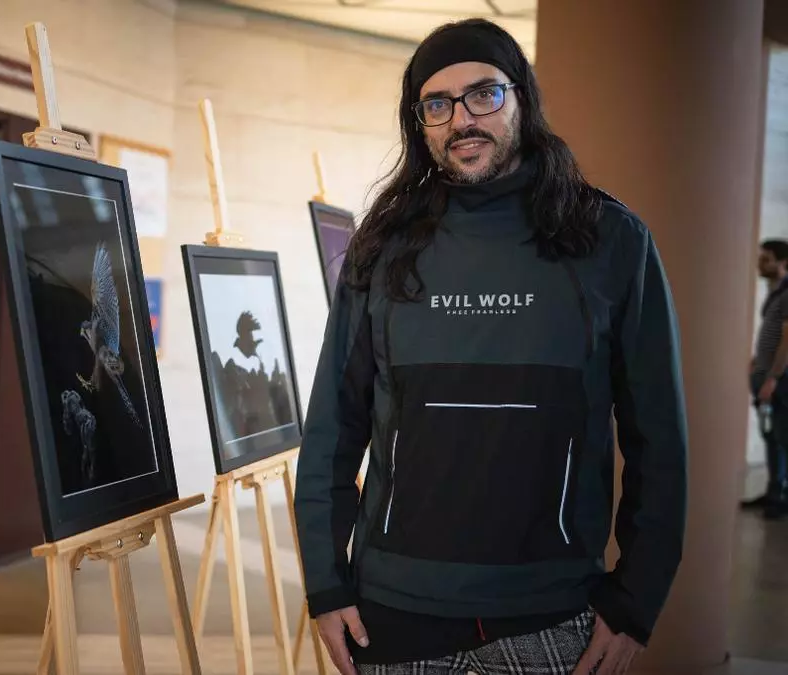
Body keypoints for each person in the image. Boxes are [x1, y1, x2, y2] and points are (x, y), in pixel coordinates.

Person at [293, 18, 688, 675]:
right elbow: (334, 429)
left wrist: (636, 599)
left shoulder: (611, 241)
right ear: (419, 124)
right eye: (437, 104)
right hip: (393, 614)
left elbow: (660, 439)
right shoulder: (381, 247)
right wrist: (326, 583)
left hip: (554, 618)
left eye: (484, 94)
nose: (462, 120)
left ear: (522, 99)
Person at [744, 239, 788, 518]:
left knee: (783, 437)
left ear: (784, 263)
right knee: (772, 437)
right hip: (766, 377)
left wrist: (773, 377)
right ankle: (774, 492)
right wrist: (756, 361)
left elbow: (787, 339)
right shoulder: (777, 293)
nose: (760, 264)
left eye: (766, 259)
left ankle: (781, 497)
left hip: (779, 381)